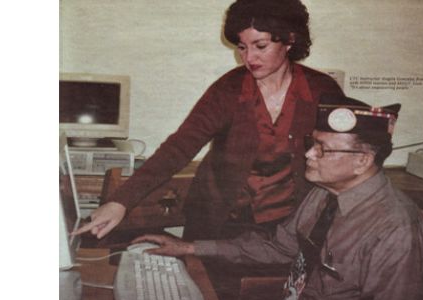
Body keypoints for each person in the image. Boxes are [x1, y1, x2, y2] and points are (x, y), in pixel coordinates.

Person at [133, 94, 423, 300]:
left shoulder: (395, 228)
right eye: (312, 143)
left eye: (323, 149)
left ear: (362, 161)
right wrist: (190, 247)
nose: (309, 154)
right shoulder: (325, 193)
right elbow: (278, 247)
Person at [74, 0, 344, 242]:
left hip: (291, 226)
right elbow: (179, 147)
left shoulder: (321, 90)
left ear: (289, 39)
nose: (249, 58)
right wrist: (120, 202)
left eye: (260, 46)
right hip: (220, 225)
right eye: (242, 47)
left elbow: (347, 153)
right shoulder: (229, 89)